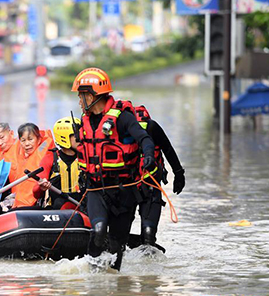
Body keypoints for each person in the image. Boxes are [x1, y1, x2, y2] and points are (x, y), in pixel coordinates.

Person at [72, 67, 156, 270]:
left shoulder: (123, 118)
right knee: (99, 230)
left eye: (82, 95)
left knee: (117, 246)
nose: (80, 100)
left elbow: (145, 139)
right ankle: (92, 276)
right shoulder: (85, 120)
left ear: (94, 95)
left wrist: (149, 156)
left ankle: (113, 284)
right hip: (96, 190)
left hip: (124, 190)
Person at [133, 104, 185, 246]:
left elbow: (167, 148)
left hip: (148, 185)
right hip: (129, 186)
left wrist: (178, 173)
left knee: (148, 234)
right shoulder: (149, 126)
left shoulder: (151, 127)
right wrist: (179, 174)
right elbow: (167, 149)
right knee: (121, 235)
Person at [32, 117, 83, 210]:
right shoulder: (50, 158)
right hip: (57, 208)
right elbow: (35, 193)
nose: (80, 138)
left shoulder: (85, 157)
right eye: (76, 136)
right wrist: (41, 187)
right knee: (60, 203)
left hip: (81, 204)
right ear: (65, 138)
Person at [7, 123, 55, 209]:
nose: (27, 144)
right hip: (17, 200)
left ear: (39, 139)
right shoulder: (21, 155)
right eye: (23, 140)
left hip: (33, 203)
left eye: (30, 139)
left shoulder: (46, 155)